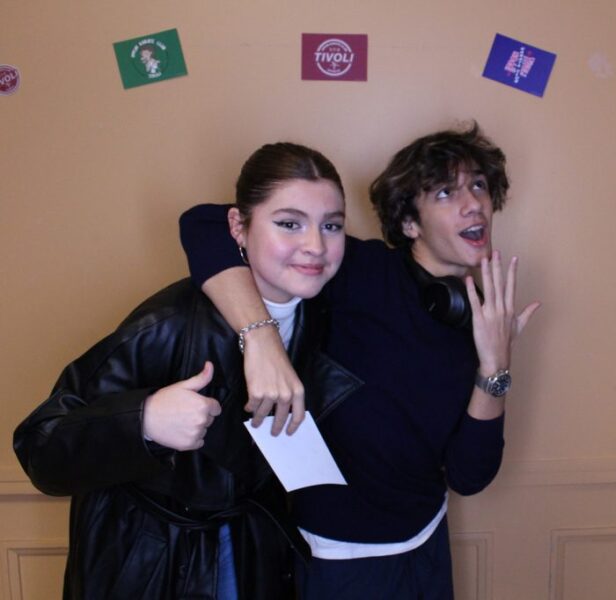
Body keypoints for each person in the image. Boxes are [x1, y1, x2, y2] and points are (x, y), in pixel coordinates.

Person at [179, 122, 540, 599]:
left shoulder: (481, 319)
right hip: (339, 558)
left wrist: (494, 367)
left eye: (478, 185)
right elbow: (203, 224)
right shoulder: (358, 269)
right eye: (446, 192)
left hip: (428, 543)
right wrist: (261, 339)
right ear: (409, 224)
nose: (473, 203)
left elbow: (470, 475)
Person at [13, 142, 352, 599]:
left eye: (331, 225)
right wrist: (144, 420)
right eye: (289, 223)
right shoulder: (168, 323)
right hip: (148, 566)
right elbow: (40, 447)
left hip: (252, 554)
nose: (315, 245)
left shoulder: (323, 316)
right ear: (238, 227)